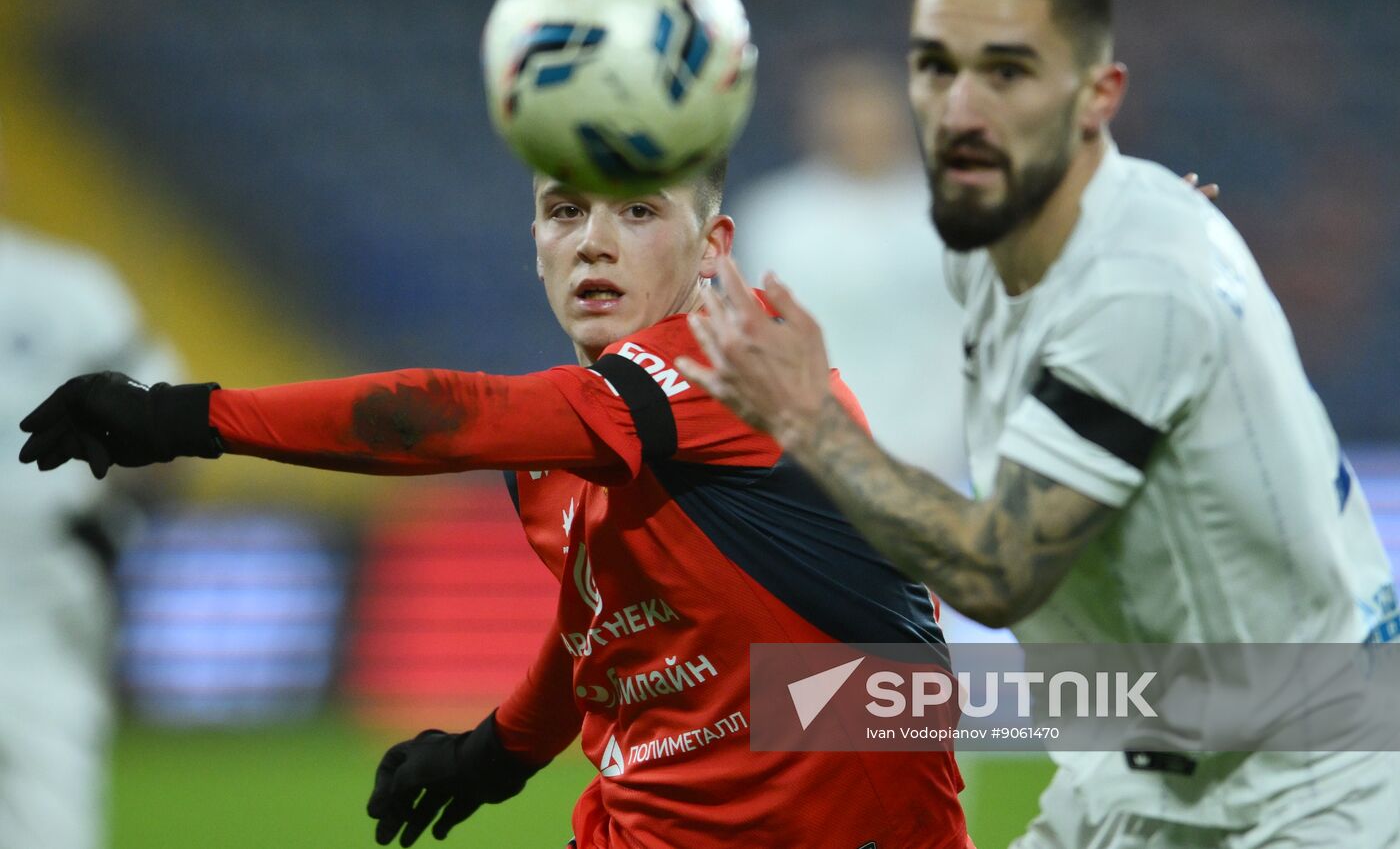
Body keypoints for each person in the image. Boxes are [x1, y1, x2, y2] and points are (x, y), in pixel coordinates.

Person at [679, 0, 1400, 849]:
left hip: (1299, 784)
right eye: (936, 68)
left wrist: (806, 420)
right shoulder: (995, 235)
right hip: (1144, 771)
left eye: (1008, 72)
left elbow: (997, 570)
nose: (961, 104)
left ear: (1097, 95)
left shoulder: (1137, 289)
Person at [17, 162, 971, 849]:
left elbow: (449, 417)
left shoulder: (735, 365)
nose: (593, 240)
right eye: (564, 212)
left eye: (638, 210)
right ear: (537, 244)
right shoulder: (572, 450)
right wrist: (495, 752)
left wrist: (191, 416)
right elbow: (602, 628)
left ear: (712, 245)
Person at [0, 215, 180, 849]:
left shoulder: (71, 287)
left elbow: (161, 426)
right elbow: (165, 434)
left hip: (42, 601)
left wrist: (114, 529)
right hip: (43, 597)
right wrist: (114, 526)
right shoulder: (69, 288)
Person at [734, 50, 969, 491]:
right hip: (815, 465)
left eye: (871, 108)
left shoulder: (961, 217)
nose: (860, 125)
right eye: (845, 109)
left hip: (942, 462)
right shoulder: (776, 217)